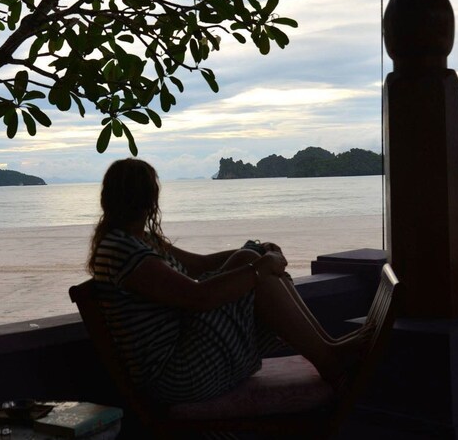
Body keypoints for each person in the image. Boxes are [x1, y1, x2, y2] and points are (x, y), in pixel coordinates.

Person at [88, 158, 371, 404]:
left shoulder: (141, 240)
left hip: (186, 352)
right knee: (257, 274)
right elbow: (198, 298)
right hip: (176, 375)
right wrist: (257, 267)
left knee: (251, 259)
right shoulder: (122, 249)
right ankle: (328, 357)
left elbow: (199, 265)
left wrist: (256, 253)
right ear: (151, 199)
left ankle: (327, 349)